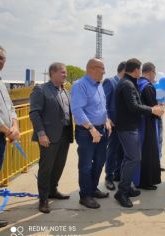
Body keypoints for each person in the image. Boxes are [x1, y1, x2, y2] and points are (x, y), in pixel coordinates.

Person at [114, 58, 164, 208]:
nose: (141, 73)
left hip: (127, 127)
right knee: (134, 159)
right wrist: (152, 109)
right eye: (140, 70)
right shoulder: (128, 85)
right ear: (136, 70)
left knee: (128, 158)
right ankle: (122, 192)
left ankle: (127, 186)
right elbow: (134, 107)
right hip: (128, 128)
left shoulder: (127, 82)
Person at [30, 62, 73, 214]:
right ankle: (43, 199)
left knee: (59, 165)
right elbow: (34, 113)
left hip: (65, 134)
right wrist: (41, 134)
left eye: (65, 72)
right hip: (48, 136)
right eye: (62, 72)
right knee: (46, 168)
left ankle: (53, 190)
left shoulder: (65, 91)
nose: (65, 75)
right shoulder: (41, 90)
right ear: (52, 73)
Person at [71, 58, 111, 209]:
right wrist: (91, 129)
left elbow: (102, 107)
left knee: (100, 161)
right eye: (102, 69)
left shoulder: (99, 86)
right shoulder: (80, 85)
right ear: (92, 68)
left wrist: (106, 120)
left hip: (101, 130)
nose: (104, 72)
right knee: (86, 165)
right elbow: (77, 110)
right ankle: (85, 195)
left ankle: (93, 189)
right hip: (87, 131)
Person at [0, 46, 20, 228]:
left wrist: (15, 126)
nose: (0, 61)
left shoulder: (1, 83)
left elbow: (11, 107)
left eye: (2, 58)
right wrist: (8, 130)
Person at [134, 62, 162, 190]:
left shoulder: (137, 83)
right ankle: (145, 182)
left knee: (140, 153)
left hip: (139, 123)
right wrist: (160, 110)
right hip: (148, 124)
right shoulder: (148, 87)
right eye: (154, 73)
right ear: (150, 72)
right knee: (149, 153)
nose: (154, 75)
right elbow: (153, 108)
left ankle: (138, 180)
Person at [103, 61, 126, 191]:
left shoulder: (125, 83)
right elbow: (104, 102)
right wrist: (108, 119)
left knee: (122, 151)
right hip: (113, 124)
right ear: (124, 70)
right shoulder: (110, 82)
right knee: (112, 151)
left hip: (124, 125)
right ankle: (109, 177)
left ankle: (118, 175)